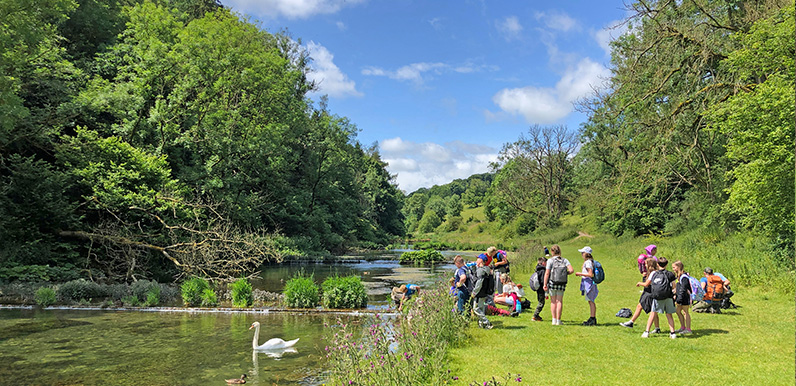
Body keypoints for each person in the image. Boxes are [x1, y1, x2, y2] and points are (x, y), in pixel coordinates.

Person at [620, 247, 661, 330]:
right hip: (649, 293)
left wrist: (640, 283)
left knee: (640, 306)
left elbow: (647, 284)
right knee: (654, 311)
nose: (644, 265)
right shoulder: (653, 272)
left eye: (646, 264)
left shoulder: (653, 273)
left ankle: (631, 322)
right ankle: (657, 328)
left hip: (649, 293)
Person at [636, 257, 678, 339]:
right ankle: (672, 333)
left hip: (657, 297)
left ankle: (646, 332)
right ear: (666, 265)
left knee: (653, 313)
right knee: (669, 315)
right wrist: (673, 293)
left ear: (657, 264)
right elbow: (674, 286)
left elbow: (648, 284)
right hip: (668, 296)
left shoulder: (654, 273)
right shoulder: (670, 274)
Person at [543, 244, 574, 326]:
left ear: (552, 252)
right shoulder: (564, 260)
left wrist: (545, 284)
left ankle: (553, 320)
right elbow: (571, 270)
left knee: (553, 301)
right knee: (559, 301)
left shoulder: (550, 260)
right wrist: (564, 274)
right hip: (562, 282)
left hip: (552, 282)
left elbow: (547, 273)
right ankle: (558, 320)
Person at [574, 246, 598, 326]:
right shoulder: (589, 261)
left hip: (589, 283)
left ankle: (592, 318)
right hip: (588, 283)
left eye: (582, 253)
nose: (581, 254)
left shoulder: (588, 262)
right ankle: (592, 318)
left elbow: (590, 274)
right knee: (590, 301)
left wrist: (580, 274)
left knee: (591, 301)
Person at [471, 254, 494, 329]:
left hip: (479, 292)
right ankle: (481, 325)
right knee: (481, 308)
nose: (476, 260)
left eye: (478, 258)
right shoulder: (486, 269)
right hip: (484, 291)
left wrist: (474, 292)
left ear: (481, 260)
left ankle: (487, 322)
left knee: (476, 309)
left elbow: (479, 282)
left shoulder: (481, 270)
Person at [672, 261, 692, 334]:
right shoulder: (679, 276)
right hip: (680, 296)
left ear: (678, 267)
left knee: (685, 312)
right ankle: (683, 327)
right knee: (678, 311)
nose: (673, 269)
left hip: (684, 297)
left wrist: (679, 299)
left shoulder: (684, 277)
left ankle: (688, 329)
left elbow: (683, 289)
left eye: (674, 267)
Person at [532, 256, 547, 321]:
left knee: (540, 301)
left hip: (538, 288)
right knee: (541, 303)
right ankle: (535, 315)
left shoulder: (538, 269)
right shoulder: (543, 270)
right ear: (543, 263)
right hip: (541, 288)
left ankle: (537, 316)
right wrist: (545, 285)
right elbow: (542, 280)